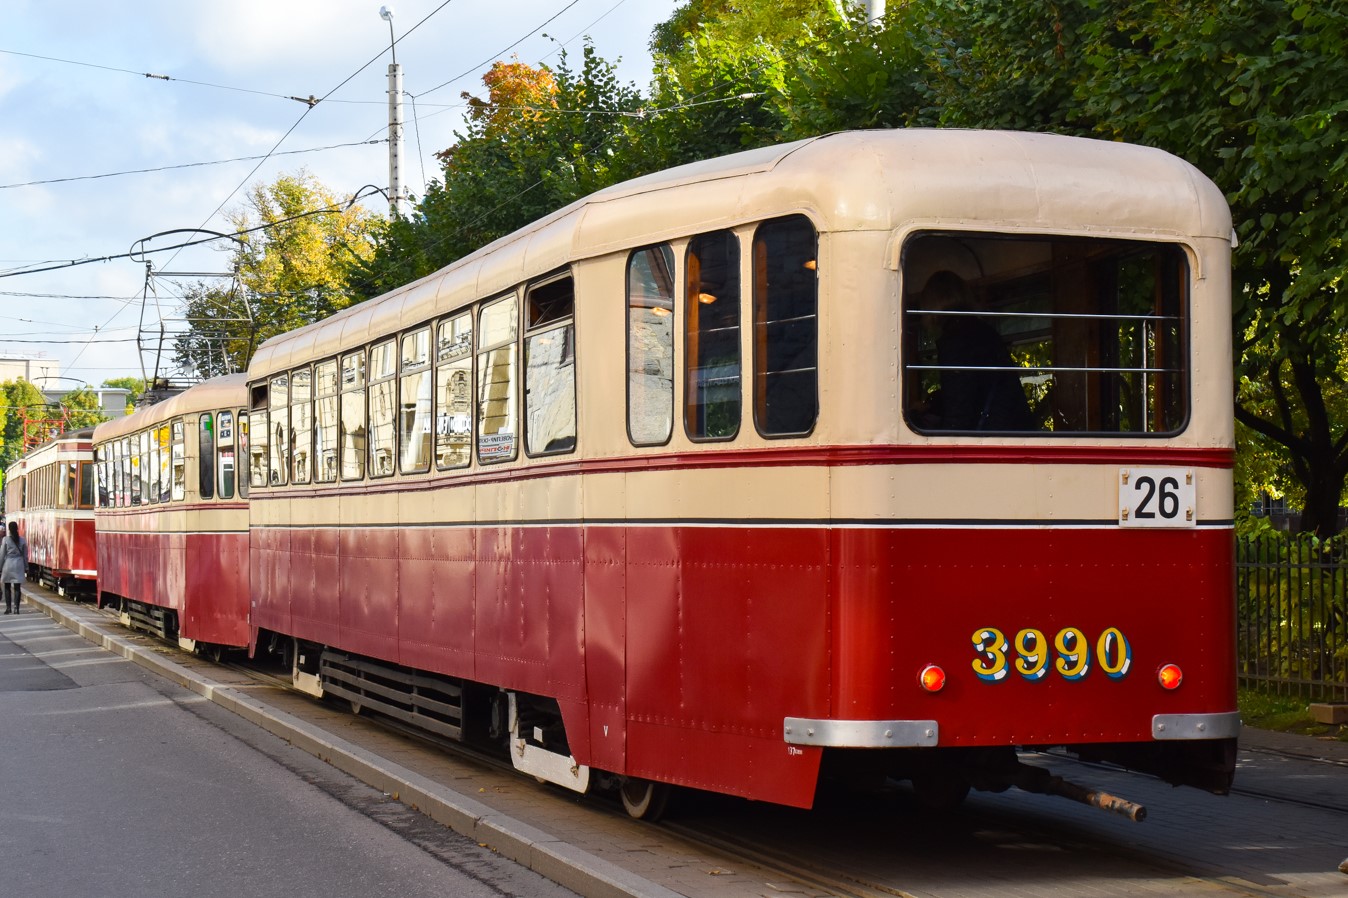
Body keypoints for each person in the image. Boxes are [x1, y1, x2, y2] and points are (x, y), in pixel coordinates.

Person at [922, 271, 1035, 431]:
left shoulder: (955, 339)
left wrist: (950, 438)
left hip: (991, 432)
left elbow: (959, 401)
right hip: (1010, 427)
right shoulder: (983, 330)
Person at [1, 521, 27, 615]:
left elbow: (2, 554)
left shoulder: (5, 540)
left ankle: (8, 608)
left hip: (8, 564)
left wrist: (0, 567)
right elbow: (25, 555)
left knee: (7, 587)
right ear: (17, 528)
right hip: (18, 565)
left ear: (9, 529)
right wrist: (26, 566)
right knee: (17, 587)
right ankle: (16, 608)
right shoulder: (22, 540)